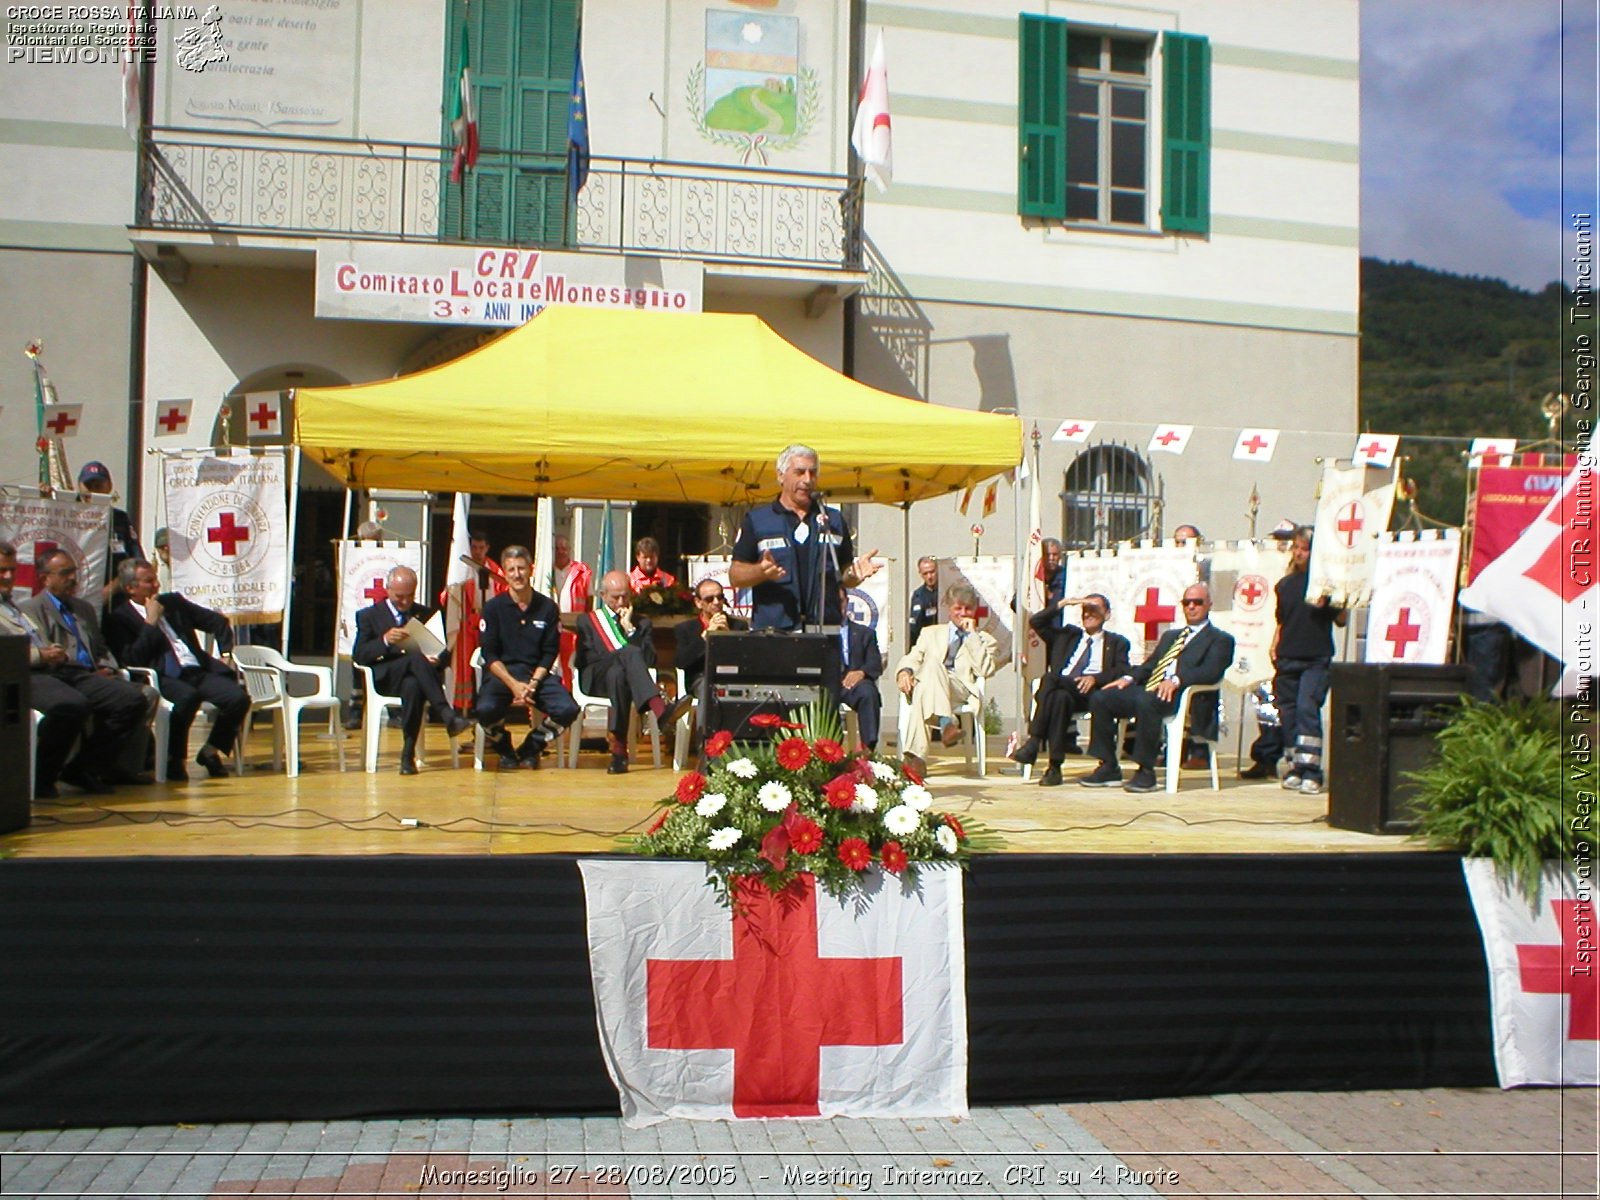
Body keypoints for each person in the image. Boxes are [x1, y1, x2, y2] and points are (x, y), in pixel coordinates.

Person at [1079, 582, 1235, 794]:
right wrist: (1127, 678)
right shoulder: (1172, 636)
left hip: (1183, 695)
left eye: (1197, 602)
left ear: (1208, 605)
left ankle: (1146, 771)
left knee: (1147, 702)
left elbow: (1211, 671)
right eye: (1187, 602)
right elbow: (1150, 665)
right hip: (1153, 689)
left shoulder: (1220, 639)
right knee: (1102, 697)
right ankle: (1108, 765)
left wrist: (1177, 680)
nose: (1191, 607)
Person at [103, 558, 251, 781]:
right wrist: (150, 623)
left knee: (238, 698)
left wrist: (226, 653)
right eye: (148, 581)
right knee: (187, 697)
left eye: (155, 579)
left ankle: (210, 750)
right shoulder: (119, 618)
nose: (156, 586)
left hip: (194, 669)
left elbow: (217, 622)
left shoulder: (173, 603)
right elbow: (132, 658)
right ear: (130, 588)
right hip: (161, 674)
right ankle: (174, 758)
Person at [19, 549, 153, 793]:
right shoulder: (30, 610)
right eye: (64, 573)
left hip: (87, 674)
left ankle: (86, 767)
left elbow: (101, 648)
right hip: (56, 674)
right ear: (44, 578)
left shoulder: (84, 608)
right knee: (73, 705)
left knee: (133, 699)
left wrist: (106, 667)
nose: (72, 578)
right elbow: (43, 651)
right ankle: (46, 775)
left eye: (74, 572)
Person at [730, 444, 881, 631]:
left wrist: (854, 574)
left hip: (823, 631)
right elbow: (735, 575)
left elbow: (844, 574)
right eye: (800, 472)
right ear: (780, 476)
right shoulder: (758, 520)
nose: (807, 480)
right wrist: (761, 571)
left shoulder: (833, 520)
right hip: (775, 633)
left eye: (813, 473)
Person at [352, 565, 474, 775]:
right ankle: (446, 714)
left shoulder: (426, 614)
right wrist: (384, 640)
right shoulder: (369, 616)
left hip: (419, 678)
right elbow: (360, 655)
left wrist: (436, 659)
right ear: (388, 590)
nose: (405, 602)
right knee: (415, 660)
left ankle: (407, 756)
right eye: (400, 596)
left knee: (414, 685)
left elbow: (444, 652)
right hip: (386, 677)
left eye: (410, 596)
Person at [0, 541, 95, 799]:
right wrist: (39, 655)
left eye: (11, 570)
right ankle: (42, 776)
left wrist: (49, 649)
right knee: (71, 705)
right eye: (2, 570)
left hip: (48, 669)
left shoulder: (11, 606)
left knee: (96, 699)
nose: (8, 576)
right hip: (17, 675)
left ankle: (76, 770)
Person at [474, 545, 579, 770]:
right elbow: (489, 654)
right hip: (502, 675)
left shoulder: (547, 607)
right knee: (484, 710)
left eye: (521, 568)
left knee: (568, 709)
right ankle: (504, 746)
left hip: (536, 675)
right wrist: (513, 685)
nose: (517, 574)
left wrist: (532, 684)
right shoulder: (493, 608)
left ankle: (532, 745)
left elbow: (550, 652)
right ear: (504, 572)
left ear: (531, 570)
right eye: (511, 569)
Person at [1012, 593, 1131, 787]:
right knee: (1059, 698)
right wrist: (1064, 603)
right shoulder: (1067, 635)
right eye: (1086, 609)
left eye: (1095, 609)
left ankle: (1034, 741)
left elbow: (1122, 670)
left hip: (1092, 693)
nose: (1089, 614)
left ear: (1107, 614)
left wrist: (1095, 678)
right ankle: (1054, 767)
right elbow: (1037, 621)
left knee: (1050, 678)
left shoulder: (1117, 642)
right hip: (1064, 690)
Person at [577, 570, 687, 774]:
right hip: (596, 679)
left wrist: (629, 628)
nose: (621, 601)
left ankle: (619, 752)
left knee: (619, 675)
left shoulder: (641, 623)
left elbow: (649, 660)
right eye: (615, 596)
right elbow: (590, 658)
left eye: (625, 596)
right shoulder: (588, 621)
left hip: (622, 681)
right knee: (626, 657)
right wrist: (624, 650)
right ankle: (660, 709)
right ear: (603, 596)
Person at [1272, 526, 1347, 796]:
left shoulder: (1324, 586)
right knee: (1288, 712)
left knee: (1307, 708)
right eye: (1297, 548)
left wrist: (1332, 601)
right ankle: (1295, 766)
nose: (1300, 553)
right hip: (1287, 656)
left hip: (1315, 657)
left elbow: (1342, 620)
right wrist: (1275, 645)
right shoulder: (1285, 585)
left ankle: (1312, 771)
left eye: (1305, 549)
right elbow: (1282, 621)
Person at [894, 583, 997, 774]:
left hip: (958, 688)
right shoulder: (930, 632)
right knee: (931, 669)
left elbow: (985, 670)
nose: (963, 613)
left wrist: (972, 636)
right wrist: (904, 671)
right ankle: (946, 724)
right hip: (929, 686)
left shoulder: (985, 640)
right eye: (958, 608)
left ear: (975, 610)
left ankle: (916, 757)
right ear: (949, 609)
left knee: (928, 675)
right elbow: (913, 656)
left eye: (968, 609)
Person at [675, 577, 748, 704]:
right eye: (709, 599)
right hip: (701, 678)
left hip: (732, 677)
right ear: (698, 603)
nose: (716, 602)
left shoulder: (738, 626)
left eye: (720, 597)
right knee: (708, 688)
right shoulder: (685, 629)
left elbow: (745, 660)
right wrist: (705, 636)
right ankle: (706, 725)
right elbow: (682, 661)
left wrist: (728, 637)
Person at [837, 587, 883, 751]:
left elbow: (875, 663)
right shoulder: (818, 632)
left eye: (840, 601)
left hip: (856, 684)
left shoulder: (865, 633)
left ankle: (867, 748)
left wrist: (861, 672)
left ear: (847, 602)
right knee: (823, 697)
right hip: (830, 684)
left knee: (868, 693)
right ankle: (830, 751)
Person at [78, 461, 143, 578]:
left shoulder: (119, 518)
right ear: (79, 486)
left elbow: (136, 558)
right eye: (88, 486)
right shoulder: (70, 516)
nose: (93, 491)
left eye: (98, 486)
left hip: (115, 590)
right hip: (80, 589)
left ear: (109, 486)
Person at [549, 534, 592, 614]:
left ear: (569, 550)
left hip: (575, 620)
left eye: (564, 549)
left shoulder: (582, 571)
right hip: (551, 620)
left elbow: (589, 599)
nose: (560, 552)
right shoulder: (547, 570)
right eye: (557, 549)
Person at [907, 555, 939, 645]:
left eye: (932, 572)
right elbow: (914, 626)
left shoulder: (946, 591)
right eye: (925, 573)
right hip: (926, 642)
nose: (929, 577)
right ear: (920, 573)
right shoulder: (918, 595)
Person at [152, 527, 173, 591]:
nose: (166, 549)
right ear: (157, 548)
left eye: (168, 545)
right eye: (162, 546)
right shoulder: (156, 571)